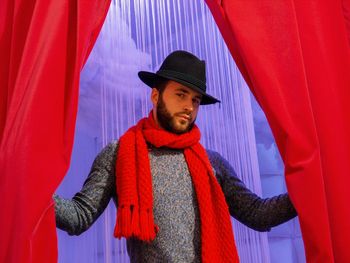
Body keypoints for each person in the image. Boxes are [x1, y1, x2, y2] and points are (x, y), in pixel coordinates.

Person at [54, 50, 297, 263]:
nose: (189, 107)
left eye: (195, 100)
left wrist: (311, 188)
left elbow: (257, 213)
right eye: (180, 94)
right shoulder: (120, 153)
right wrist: (30, 192)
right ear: (156, 96)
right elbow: (79, 216)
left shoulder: (213, 163)